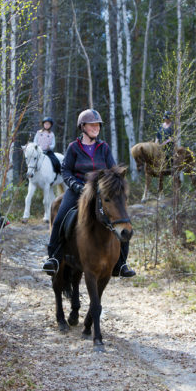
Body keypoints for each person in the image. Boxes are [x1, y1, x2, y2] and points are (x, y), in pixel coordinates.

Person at [42, 109, 136, 278]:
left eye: (97, 125)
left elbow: (112, 170)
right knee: (60, 218)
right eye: (92, 125)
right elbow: (65, 171)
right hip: (77, 191)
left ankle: (121, 263)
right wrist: (76, 186)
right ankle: (54, 258)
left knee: (123, 218)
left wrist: (117, 180)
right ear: (83, 126)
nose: (96, 128)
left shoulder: (103, 148)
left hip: (101, 194)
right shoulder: (73, 148)